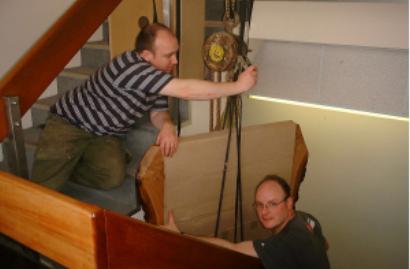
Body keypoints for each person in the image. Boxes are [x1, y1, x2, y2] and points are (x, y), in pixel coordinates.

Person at [30, 23, 257, 190]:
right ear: (146, 55)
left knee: (111, 177)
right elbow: (186, 90)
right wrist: (237, 86)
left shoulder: (157, 74)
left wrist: (167, 126)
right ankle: (60, 160)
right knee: (43, 186)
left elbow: (158, 111)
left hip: (105, 133)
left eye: (176, 53)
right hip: (70, 124)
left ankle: (71, 165)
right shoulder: (130, 67)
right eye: (169, 55)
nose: (175, 61)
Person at [163, 175, 330, 269]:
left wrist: (181, 236)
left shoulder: (284, 243)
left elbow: (231, 249)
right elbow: (325, 244)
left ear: (289, 203)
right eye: (259, 205)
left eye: (272, 204)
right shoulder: (306, 218)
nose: (264, 212)